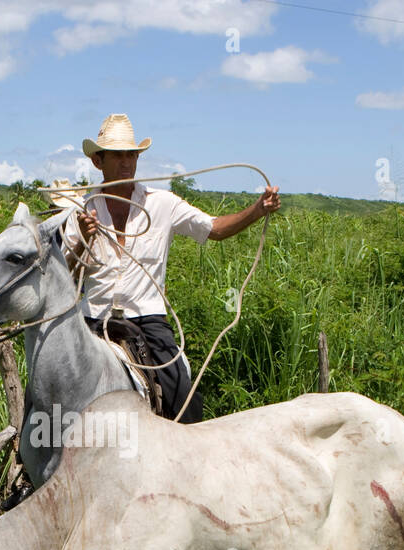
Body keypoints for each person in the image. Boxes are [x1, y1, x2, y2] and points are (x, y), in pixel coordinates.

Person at [62, 113, 280, 423]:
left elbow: (214, 228)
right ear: (99, 161)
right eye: (117, 155)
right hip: (93, 318)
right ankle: (31, 454)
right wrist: (83, 239)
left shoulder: (162, 203)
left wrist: (258, 209)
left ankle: (191, 456)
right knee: (48, 385)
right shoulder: (81, 209)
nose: (126, 163)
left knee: (180, 389)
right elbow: (66, 274)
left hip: (146, 319)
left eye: (131, 155)